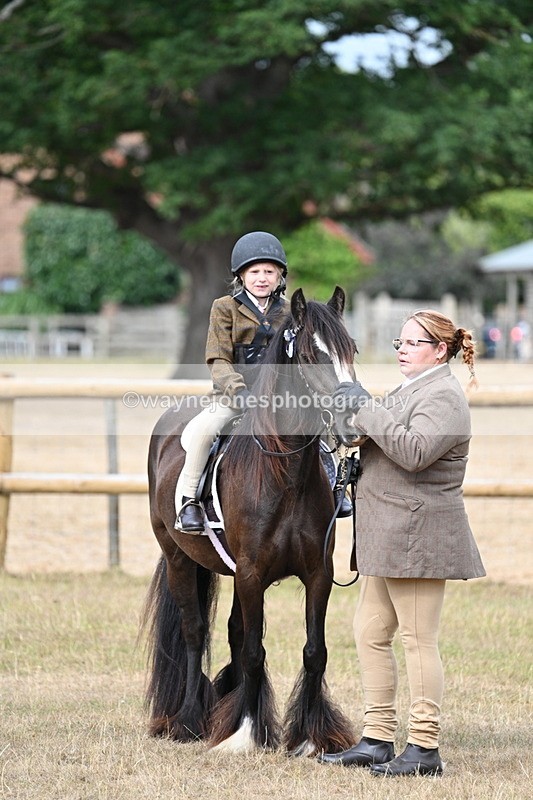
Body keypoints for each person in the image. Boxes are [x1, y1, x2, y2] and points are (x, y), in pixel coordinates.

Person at [318, 309, 486, 777]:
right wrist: (348, 420)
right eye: (399, 343)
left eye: (412, 343)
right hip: (390, 535)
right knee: (370, 633)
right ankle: (376, 738)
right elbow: (372, 434)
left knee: (417, 640)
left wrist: (366, 407)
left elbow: (413, 452)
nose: (402, 350)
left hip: (419, 535)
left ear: (440, 350)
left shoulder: (445, 396)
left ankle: (425, 748)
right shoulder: (411, 389)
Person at [175, 231, 353, 533]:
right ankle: (189, 501)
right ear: (241, 275)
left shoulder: (289, 310)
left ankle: (335, 489)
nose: (262, 278)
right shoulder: (224, 308)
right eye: (254, 271)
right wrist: (238, 392)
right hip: (235, 397)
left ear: (280, 276)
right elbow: (218, 358)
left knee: (319, 431)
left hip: (282, 398)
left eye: (269, 271)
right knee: (204, 431)